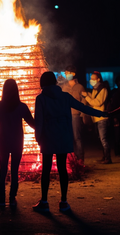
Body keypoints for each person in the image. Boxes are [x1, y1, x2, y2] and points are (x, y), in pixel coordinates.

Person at [34, 71, 109, 213]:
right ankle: (63, 202)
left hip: (48, 137)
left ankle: (44, 202)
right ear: (55, 82)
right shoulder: (65, 97)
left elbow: (39, 121)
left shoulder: (41, 99)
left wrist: (38, 137)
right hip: (63, 136)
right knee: (62, 168)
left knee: (46, 170)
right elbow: (83, 108)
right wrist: (101, 113)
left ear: (42, 83)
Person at [0, 79, 34, 207]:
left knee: (3, 169)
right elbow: (33, 123)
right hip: (17, 142)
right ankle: (12, 198)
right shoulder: (22, 107)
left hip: (3, 141)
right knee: (15, 170)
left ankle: (2, 199)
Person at [81, 71, 112, 164]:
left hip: (102, 118)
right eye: (91, 79)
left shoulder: (103, 89)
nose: (91, 80)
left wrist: (87, 97)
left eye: (93, 79)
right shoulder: (95, 89)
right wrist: (88, 95)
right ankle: (105, 157)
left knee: (103, 139)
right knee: (101, 139)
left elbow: (97, 103)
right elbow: (94, 99)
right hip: (97, 118)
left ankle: (108, 158)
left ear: (98, 79)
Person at [61, 65, 86, 162]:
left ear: (73, 74)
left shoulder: (80, 87)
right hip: (65, 116)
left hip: (75, 116)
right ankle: (71, 160)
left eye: (67, 73)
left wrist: (82, 115)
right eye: (66, 73)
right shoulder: (64, 87)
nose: (66, 75)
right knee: (68, 138)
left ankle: (80, 160)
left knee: (77, 138)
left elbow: (84, 102)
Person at [109, 76, 120, 156]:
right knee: (117, 135)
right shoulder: (115, 94)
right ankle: (117, 152)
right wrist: (114, 117)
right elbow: (113, 107)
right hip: (117, 117)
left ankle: (118, 151)